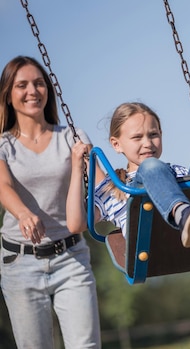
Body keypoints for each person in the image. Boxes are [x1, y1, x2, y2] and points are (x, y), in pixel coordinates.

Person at [0, 56, 101, 348]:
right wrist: (22, 213)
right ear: (8, 94)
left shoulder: (72, 136)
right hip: (20, 261)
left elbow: (100, 183)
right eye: (22, 85)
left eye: (39, 83)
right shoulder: (4, 145)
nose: (32, 91)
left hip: (71, 257)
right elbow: (3, 185)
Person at [68, 102, 190, 248]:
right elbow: (76, 225)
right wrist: (78, 169)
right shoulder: (113, 190)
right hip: (152, 245)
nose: (147, 143)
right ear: (116, 144)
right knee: (151, 167)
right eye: (137, 137)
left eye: (153, 135)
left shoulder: (176, 172)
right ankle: (183, 216)